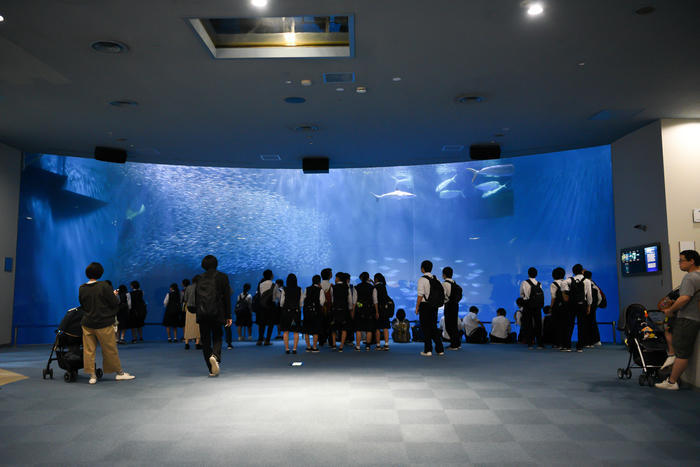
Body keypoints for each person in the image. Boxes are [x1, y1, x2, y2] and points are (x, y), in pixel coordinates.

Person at [78, 262, 135, 384]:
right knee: (110, 349)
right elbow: (114, 302)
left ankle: (92, 376)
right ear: (100, 273)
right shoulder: (104, 286)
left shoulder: (82, 288)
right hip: (104, 323)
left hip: (87, 323)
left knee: (88, 350)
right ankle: (119, 373)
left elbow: (83, 304)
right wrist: (114, 295)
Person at [656, 250, 700, 390]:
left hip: (687, 318)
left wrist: (671, 310)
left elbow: (685, 298)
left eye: (682, 260)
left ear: (692, 261)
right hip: (694, 318)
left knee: (682, 352)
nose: (680, 263)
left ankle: (672, 381)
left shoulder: (690, 278)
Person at [195, 254, 232, 377]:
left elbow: (196, 298)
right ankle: (215, 356)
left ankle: (211, 369)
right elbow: (227, 297)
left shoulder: (199, 278)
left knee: (205, 341)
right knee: (217, 336)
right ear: (216, 264)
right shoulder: (222, 277)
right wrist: (228, 315)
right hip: (217, 312)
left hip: (202, 313)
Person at [415, 260, 445, 356]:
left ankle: (428, 350)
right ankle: (440, 349)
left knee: (425, 327)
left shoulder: (422, 279)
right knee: (433, 327)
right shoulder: (436, 279)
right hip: (434, 306)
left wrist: (417, 307)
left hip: (425, 305)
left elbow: (420, 295)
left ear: (422, 268)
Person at [563, 264, 593, 352]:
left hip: (571, 304)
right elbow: (589, 295)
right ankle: (579, 346)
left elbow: (564, 289)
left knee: (569, 324)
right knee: (582, 325)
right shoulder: (587, 281)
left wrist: (566, 297)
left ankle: (567, 346)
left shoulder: (568, 280)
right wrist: (589, 306)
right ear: (582, 271)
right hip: (582, 304)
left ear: (573, 271)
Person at [520, 267, 545, 349]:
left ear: (528, 273)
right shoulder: (539, 283)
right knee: (538, 324)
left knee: (528, 324)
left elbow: (522, 294)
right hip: (537, 306)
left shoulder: (524, 282)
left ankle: (530, 343)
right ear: (536, 274)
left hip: (528, 305)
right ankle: (540, 343)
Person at [657, 286, 680, 370]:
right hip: (673, 315)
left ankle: (671, 353)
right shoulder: (675, 292)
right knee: (666, 326)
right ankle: (671, 353)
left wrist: (670, 309)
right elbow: (662, 304)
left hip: (681, 318)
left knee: (667, 327)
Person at [279, 273, 302, 354]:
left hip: (286, 311)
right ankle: (295, 349)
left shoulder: (284, 289)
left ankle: (287, 349)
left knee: (286, 330)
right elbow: (301, 302)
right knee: (296, 331)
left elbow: (281, 302)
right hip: (296, 311)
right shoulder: (299, 289)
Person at [355, 272, 378, 351]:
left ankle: (358, 346)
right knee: (369, 329)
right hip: (369, 309)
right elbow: (375, 301)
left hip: (359, 309)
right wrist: (377, 311)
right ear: (368, 278)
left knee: (358, 329)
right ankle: (368, 346)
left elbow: (355, 300)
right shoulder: (372, 288)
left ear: (360, 278)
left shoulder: (357, 287)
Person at [303, 274, 325, 352]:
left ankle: (308, 347)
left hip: (307, 312)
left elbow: (304, 300)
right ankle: (315, 347)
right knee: (316, 330)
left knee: (306, 330)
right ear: (319, 281)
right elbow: (322, 302)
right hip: (316, 312)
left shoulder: (307, 289)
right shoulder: (320, 290)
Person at [331, 272, 352, 352]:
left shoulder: (334, 287)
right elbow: (349, 299)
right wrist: (350, 308)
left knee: (333, 328)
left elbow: (333, 299)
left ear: (338, 278)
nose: (335, 279)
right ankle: (341, 346)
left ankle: (333, 344)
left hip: (336, 309)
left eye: (336, 277)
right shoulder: (347, 287)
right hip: (344, 309)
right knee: (344, 328)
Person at [442, 266, 462, 350]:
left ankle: (454, 345)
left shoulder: (444, 284)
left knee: (449, 326)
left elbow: (443, 296)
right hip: (455, 306)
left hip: (448, 306)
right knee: (454, 325)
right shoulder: (456, 285)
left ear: (444, 275)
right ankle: (457, 344)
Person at [256, 270, 276, 346]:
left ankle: (260, 340)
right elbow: (276, 297)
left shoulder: (260, 284)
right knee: (270, 324)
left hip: (262, 306)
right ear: (271, 275)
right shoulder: (274, 285)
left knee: (262, 323)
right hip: (271, 306)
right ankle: (267, 340)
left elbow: (259, 295)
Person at [550, 267, 569, 349]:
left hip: (557, 307)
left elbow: (553, 297)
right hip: (566, 306)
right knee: (565, 324)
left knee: (556, 325)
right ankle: (565, 342)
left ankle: (557, 343)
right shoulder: (566, 282)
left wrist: (551, 307)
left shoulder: (553, 284)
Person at [583, 270, 603, 347]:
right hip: (593, 307)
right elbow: (600, 298)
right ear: (591, 276)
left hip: (584, 306)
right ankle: (596, 340)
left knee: (584, 323)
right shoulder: (594, 285)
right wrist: (595, 306)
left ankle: (586, 342)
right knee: (593, 323)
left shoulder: (583, 283)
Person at [373, 273, 393, 351]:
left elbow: (375, 300)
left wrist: (377, 311)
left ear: (376, 279)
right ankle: (386, 344)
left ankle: (378, 345)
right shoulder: (383, 286)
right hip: (385, 310)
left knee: (377, 328)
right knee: (385, 327)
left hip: (378, 309)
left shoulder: (375, 287)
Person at [182, 275, 201, 350]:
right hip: (198, 309)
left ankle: (187, 343)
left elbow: (185, 298)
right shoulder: (201, 287)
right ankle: (197, 343)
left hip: (189, 308)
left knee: (188, 326)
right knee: (198, 326)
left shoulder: (188, 288)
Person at [320, 268, 334, 348]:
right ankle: (331, 341)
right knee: (330, 325)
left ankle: (321, 341)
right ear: (329, 276)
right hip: (329, 308)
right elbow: (332, 298)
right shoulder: (331, 286)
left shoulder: (319, 285)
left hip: (321, 308)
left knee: (321, 324)